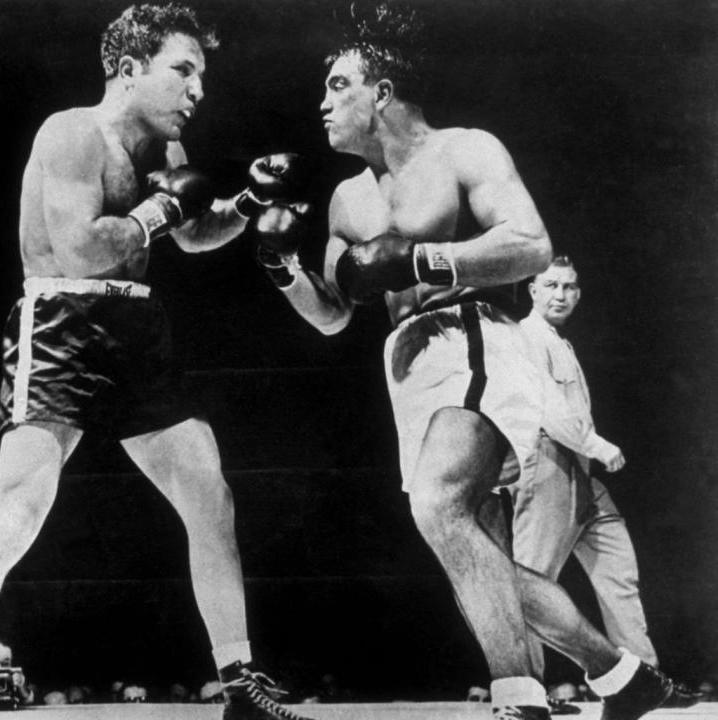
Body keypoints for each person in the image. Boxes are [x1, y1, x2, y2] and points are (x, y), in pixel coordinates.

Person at [252, 3, 680, 718]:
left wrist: (424, 257)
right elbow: (332, 316)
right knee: (472, 550)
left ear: (380, 90)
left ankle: (522, 700)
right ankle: (621, 677)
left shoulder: (464, 150)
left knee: (440, 504)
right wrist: (281, 266)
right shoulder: (346, 199)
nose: (322, 104)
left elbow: (532, 243)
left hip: (474, 332)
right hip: (407, 366)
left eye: (337, 85)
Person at [0, 6, 312, 720]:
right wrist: (160, 211)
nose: (198, 90)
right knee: (20, 507)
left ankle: (239, 678)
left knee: (209, 495)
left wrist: (248, 200)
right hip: (64, 323)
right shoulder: (70, 133)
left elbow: (194, 233)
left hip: (135, 328)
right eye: (183, 70)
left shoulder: (165, 156)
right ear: (129, 70)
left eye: (202, 75)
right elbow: (89, 246)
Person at [512, 257, 701, 708]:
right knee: (531, 583)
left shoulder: (559, 342)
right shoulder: (524, 338)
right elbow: (548, 413)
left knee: (619, 572)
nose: (561, 294)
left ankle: (644, 682)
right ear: (532, 290)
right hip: (550, 462)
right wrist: (598, 446)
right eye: (552, 285)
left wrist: (589, 454)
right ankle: (526, 690)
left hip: (579, 469)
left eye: (570, 287)